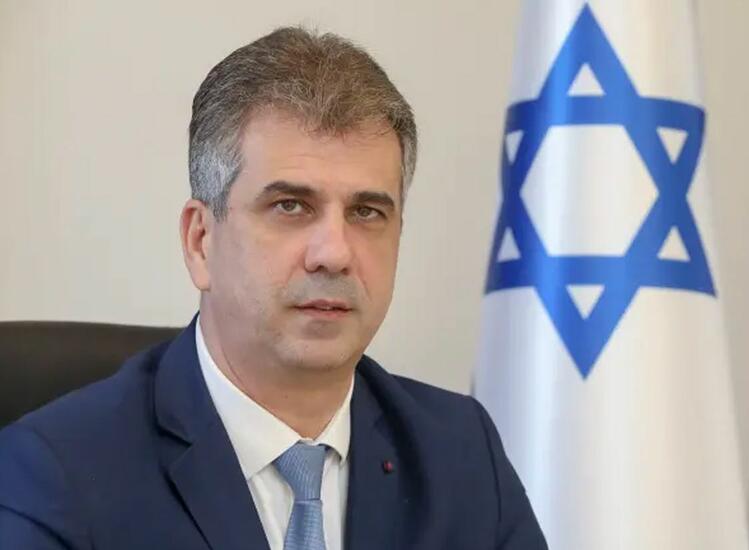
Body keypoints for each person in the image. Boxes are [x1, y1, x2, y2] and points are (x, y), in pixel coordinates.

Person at [0, 27, 548, 550]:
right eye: (291, 206)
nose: (334, 253)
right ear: (200, 242)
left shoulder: (461, 454)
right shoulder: (56, 475)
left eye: (366, 212)